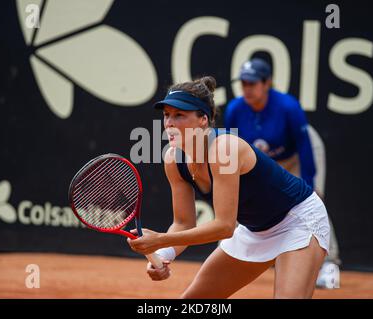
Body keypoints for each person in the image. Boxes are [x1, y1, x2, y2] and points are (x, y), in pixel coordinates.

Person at [127, 76, 331, 298]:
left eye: (179, 115)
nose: (169, 124)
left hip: (297, 221)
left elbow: (225, 227)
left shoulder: (224, 149)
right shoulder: (173, 160)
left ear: (203, 119)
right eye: (166, 115)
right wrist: (162, 254)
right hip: (254, 230)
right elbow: (183, 222)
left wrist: (159, 240)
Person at [225, 58, 341, 288]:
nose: (246, 88)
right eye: (244, 83)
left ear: (267, 83)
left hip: (297, 155)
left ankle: (330, 263)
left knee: (312, 204)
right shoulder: (235, 109)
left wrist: (309, 184)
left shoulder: (288, 106)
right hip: (265, 163)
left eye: (252, 83)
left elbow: (304, 145)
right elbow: (229, 149)